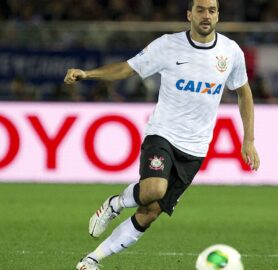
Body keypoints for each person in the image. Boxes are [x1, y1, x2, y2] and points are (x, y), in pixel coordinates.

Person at [64, 0, 260, 269]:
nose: (206, 15)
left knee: (150, 212)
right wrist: (87, 74)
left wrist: (248, 139)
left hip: (196, 148)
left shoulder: (231, 52)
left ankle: (92, 260)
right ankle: (115, 203)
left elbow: (243, 92)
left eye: (212, 10)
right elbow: (126, 68)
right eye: (201, 10)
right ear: (189, 14)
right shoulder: (168, 45)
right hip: (163, 134)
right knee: (154, 188)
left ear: (218, 16)